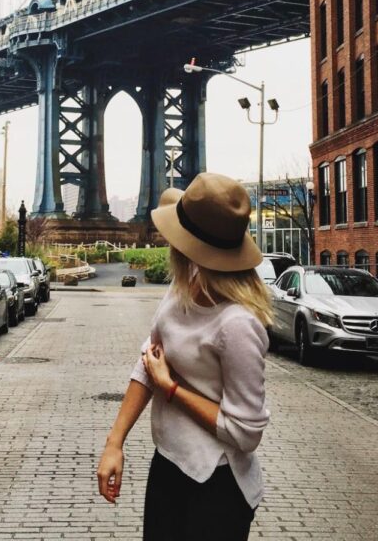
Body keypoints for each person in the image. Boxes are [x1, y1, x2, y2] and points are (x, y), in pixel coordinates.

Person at [97, 173, 272, 541]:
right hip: (169, 466)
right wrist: (115, 443)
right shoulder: (183, 288)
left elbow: (246, 433)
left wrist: (172, 389)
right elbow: (148, 361)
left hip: (216, 487)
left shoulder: (238, 325)